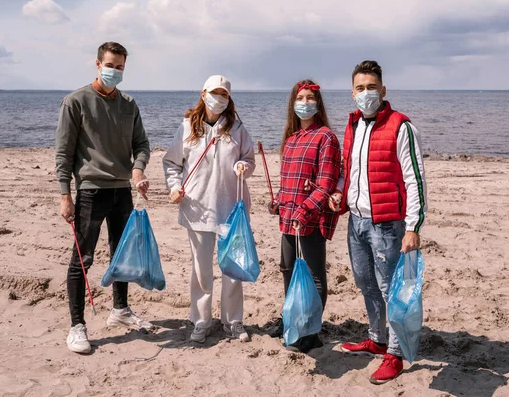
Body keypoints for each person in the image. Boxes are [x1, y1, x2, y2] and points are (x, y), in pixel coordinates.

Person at [329, 60, 428, 383]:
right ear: (352, 93)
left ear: (383, 90)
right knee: (366, 283)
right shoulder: (354, 125)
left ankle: (396, 354)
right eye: (360, 88)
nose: (366, 93)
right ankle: (377, 338)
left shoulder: (401, 126)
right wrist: (339, 194)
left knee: (391, 289)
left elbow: (415, 179)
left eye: (372, 87)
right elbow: (348, 171)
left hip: (387, 224)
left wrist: (413, 227)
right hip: (356, 222)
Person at [55, 41, 152, 354]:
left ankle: (120, 310)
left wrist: (137, 171)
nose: (115, 71)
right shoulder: (76, 101)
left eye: (120, 66)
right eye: (110, 65)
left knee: (121, 254)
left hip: (122, 191)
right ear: (97, 64)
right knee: (82, 259)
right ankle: (77, 325)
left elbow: (142, 145)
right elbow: (64, 153)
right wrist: (64, 194)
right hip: (90, 191)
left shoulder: (129, 104)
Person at [162, 75, 255, 343]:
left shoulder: (237, 128)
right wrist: (174, 187)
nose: (220, 98)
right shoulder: (187, 127)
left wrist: (244, 167)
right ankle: (201, 321)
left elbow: (248, 158)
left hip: (231, 210)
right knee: (201, 271)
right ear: (203, 94)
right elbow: (172, 163)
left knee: (232, 270)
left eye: (224, 94)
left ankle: (232, 321)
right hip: (197, 208)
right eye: (215, 93)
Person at [268, 79, 341, 353]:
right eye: (300, 98)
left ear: (318, 103)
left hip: (311, 218)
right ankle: (292, 319)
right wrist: (277, 201)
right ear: (293, 103)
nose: (305, 102)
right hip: (288, 217)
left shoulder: (326, 138)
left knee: (313, 274)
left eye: (310, 97)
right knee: (288, 270)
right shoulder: (291, 138)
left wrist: (305, 209)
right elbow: (288, 181)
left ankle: (311, 330)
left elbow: (325, 184)